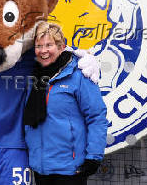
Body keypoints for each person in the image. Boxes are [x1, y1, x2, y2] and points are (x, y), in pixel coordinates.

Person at [23, 22, 108, 185]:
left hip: (70, 169)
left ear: (61, 46)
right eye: (39, 46)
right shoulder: (32, 76)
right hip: (40, 167)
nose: (43, 51)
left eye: (49, 45)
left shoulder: (79, 74)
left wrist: (94, 157)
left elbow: (96, 117)